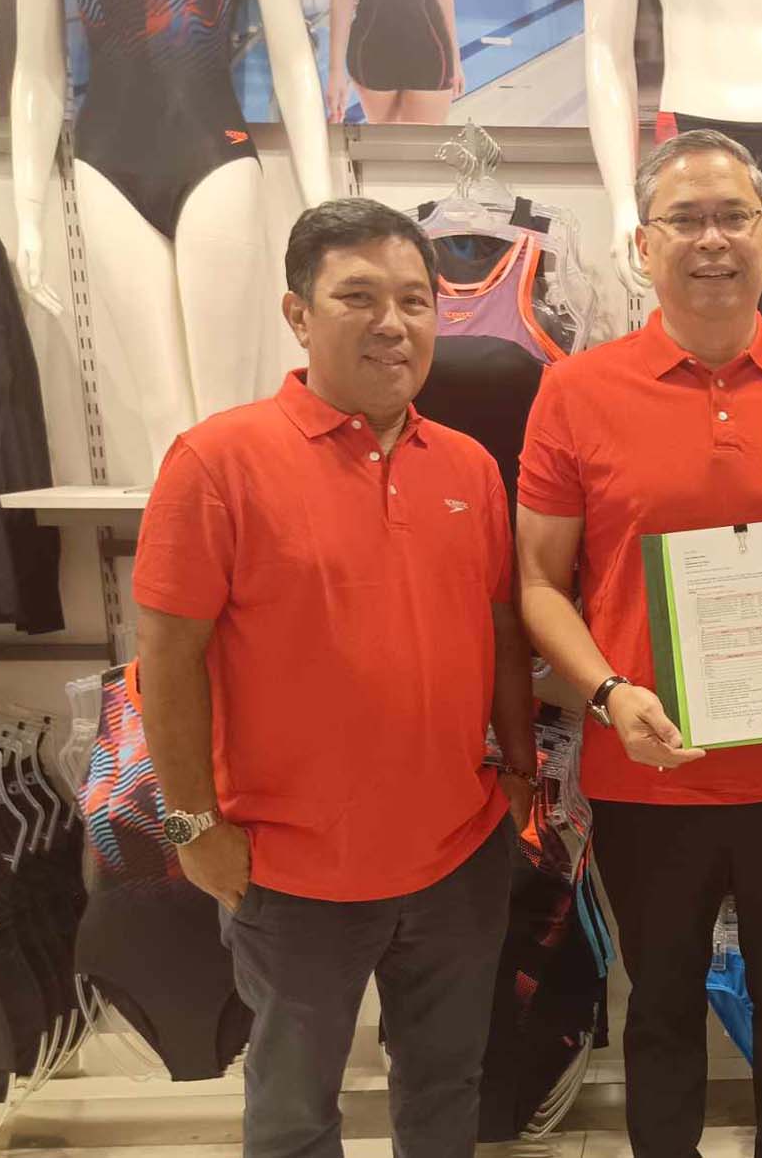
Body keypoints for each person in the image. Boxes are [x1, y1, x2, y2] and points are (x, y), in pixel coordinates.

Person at [134, 198, 536, 1158]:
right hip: (292, 872)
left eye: (414, 299)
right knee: (292, 1109)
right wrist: (193, 826)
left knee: (447, 1089)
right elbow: (168, 656)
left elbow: (499, 626)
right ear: (297, 313)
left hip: (456, 857)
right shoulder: (217, 461)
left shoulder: (472, 468)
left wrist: (520, 765)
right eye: (358, 296)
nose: (392, 324)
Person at [515, 129, 762, 1158]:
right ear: (643, 245)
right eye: (685, 219)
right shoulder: (575, 392)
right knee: (662, 1005)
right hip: (647, 774)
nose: (710, 239)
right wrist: (603, 697)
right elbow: (539, 584)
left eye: (733, 217)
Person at [327, 0, 465, 124]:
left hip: (430, 51)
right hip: (373, 50)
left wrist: (455, 59)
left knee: (420, 143)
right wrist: (335, 72)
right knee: (387, 142)